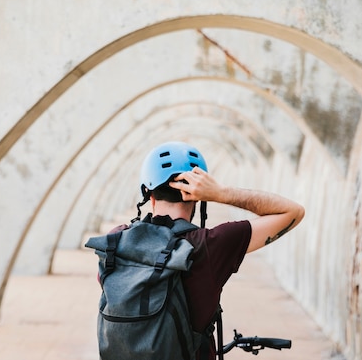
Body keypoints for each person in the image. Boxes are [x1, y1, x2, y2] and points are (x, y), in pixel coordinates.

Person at [117, 141, 304, 360]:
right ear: (197, 197)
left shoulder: (116, 242)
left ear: (149, 195)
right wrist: (220, 194)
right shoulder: (210, 245)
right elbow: (293, 212)